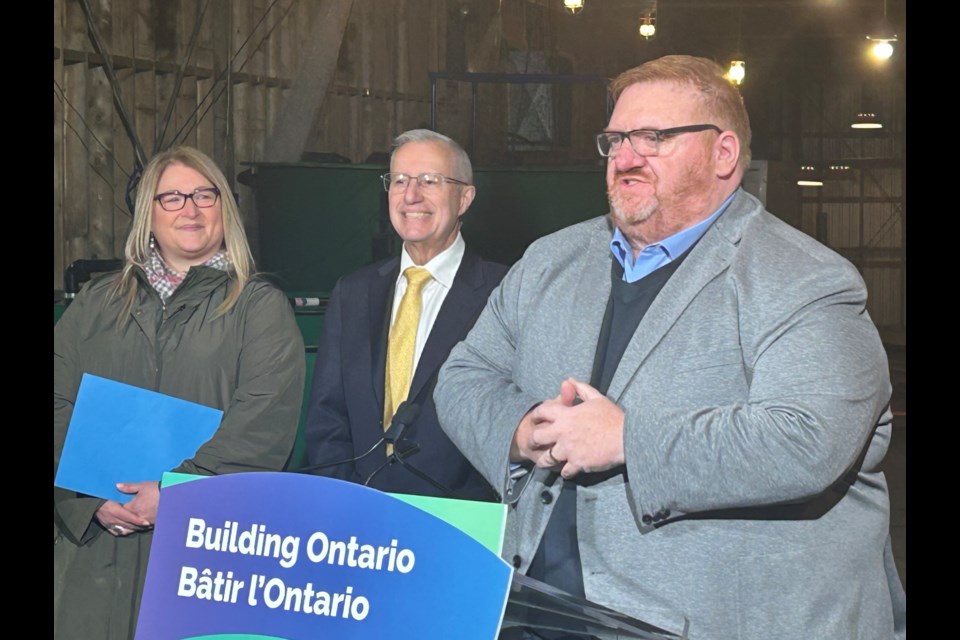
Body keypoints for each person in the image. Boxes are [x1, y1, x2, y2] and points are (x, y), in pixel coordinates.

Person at [435, 56, 906, 639]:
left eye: (653, 138)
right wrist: (521, 427)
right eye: (615, 139)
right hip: (536, 610)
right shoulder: (550, 260)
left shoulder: (804, 280)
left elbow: (808, 437)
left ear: (724, 154)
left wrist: (628, 440)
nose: (625, 158)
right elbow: (464, 372)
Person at [54, 146, 305, 640]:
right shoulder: (95, 303)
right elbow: (58, 403)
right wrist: (86, 499)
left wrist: (178, 496)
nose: (189, 209)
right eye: (171, 198)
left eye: (203, 195)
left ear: (224, 209)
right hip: (92, 551)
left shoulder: (259, 308)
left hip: (205, 555)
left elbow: (262, 424)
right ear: (148, 213)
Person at [304, 129, 508, 500]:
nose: (411, 195)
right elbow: (327, 419)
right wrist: (344, 502)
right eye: (399, 181)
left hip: (459, 522)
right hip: (357, 520)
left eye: (430, 181)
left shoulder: (505, 294)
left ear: (464, 198)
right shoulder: (352, 292)